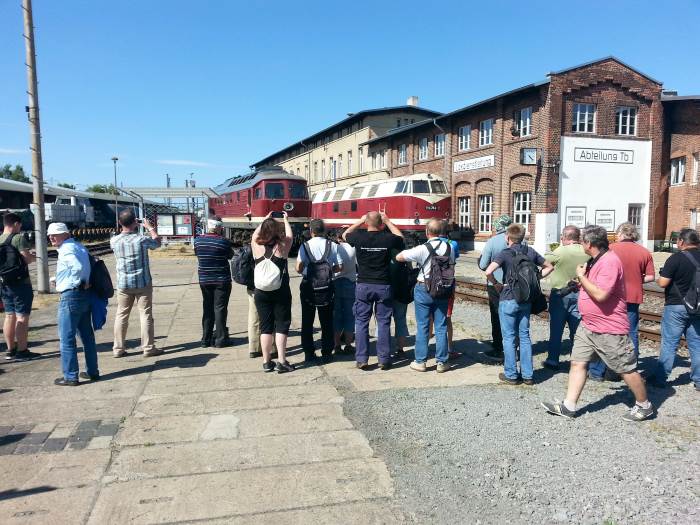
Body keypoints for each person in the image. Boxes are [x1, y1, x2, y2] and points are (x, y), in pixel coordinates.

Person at [542, 226, 655, 421]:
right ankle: (569, 405)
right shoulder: (595, 259)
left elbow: (601, 295)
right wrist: (580, 283)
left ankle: (644, 405)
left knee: (625, 368)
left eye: (582, 241)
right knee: (578, 362)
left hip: (608, 327)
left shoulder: (610, 262)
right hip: (588, 325)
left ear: (589, 243)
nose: (581, 244)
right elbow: (595, 286)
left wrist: (581, 276)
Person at [484, 223, 553, 385]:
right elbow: (549, 267)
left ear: (507, 237)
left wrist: (496, 284)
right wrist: (535, 278)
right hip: (525, 300)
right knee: (524, 336)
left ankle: (511, 375)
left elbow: (488, 271)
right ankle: (528, 375)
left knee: (508, 338)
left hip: (508, 297)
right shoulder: (530, 251)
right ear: (522, 237)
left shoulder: (505, 253)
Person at [588, 222, 654, 381]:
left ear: (620, 234)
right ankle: (631, 369)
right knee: (631, 333)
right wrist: (637, 279)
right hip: (633, 296)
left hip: (611, 296)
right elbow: (651, 277)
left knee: (604, 331)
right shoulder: (644, 252)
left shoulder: (610, 249)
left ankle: (597, 371)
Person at [343, 211, 404, 370]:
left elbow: (344, 234)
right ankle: (384, 359)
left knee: (361, 322)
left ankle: (362, 359)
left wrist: (360, 221)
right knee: (383, 322)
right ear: (381, 224)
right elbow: (401, 238)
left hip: (363, 285)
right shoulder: (388, 238)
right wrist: (388, 221)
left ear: (366, 223)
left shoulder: (358, 237)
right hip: (383, 285)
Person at [397, 218, 456, 373]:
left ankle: (420, 361)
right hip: (443, 289)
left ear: (427, 232)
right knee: (441, 325)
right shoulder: (450, 248)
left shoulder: (423, 248)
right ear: (441, 232)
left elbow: (400, 257)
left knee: (423, 325)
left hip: (424, 288)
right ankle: (442, 362)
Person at [648, 228, 700, 391]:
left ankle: (660, 378)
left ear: (682, 241)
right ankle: (699, 380)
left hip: (676, 305)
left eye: (677, 240)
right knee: (696, 343)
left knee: (670, 343)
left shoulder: (675, 258)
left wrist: (659, 278)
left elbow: (663, 283)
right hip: (697, 307)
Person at [48, 222, 98, 386]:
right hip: (84, 295)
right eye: (50, 235)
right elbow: (82, 267)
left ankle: (70, 376)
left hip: (71, 296)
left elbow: (77, 267)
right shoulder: (79, 246)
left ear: (65, 234)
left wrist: (75, 282)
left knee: (66, 338)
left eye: (55, 234)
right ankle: (93, 371)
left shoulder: (65, 249)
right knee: (87, 336)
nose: (51, 237)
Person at [111, 210, 162, 358]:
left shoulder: (114, 241)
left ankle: (118, 348)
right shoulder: (142, 240)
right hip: (142, 282)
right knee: (145, 314)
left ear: (119, 223)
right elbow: (157, 243)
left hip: (123, 284)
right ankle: (148, 347)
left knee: (121, 315)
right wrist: (149, 227)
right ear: (135, 222)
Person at [542, 225, 590, 370]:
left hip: (560, 293)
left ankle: (553, 360)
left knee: (556, 329)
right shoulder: (586, 250)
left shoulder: (560, 251)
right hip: (581, 292)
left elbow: (542, 262)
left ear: (564, 237)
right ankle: (578, 361)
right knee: (577, 330)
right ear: (578, 237)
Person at [252, 212, 294, 373]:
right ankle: (282, 361)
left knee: (265, 327)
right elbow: (290, 235)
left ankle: (266, 361)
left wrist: (264, 220)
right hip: (280, 291)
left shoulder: (255, 244)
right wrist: (285, 220)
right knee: (282, 325)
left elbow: (255, 234)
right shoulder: (283, 246)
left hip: (260, 292)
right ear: (277, 230)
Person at [296, 219, 342, 364]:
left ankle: (309, 353)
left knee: (307, 320)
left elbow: (298, 267)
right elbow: (339, 266)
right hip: (327, 287)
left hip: (308, 286)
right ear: (324, 231)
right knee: (327, 321)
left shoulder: (304, 246)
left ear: (311, 231)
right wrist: (327, 272)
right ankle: (327, 352)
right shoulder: (333, 245)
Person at [1, 213, 39, 361]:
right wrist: (33, 257)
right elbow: (27, 259)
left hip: (4, 283)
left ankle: (10, 350)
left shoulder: (0, 239)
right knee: (22, 317)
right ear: (16, 224)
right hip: (21, 284)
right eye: (20, 225)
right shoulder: (18, 238)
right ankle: (22, 351)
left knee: (9, 316)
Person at [194, 217, 234, 348]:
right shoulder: (223, 242)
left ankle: (205, 339)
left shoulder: (197, 241)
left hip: (204, 280)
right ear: (218, 228)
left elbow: (197, 254)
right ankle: (221, 339)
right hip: (222, 280)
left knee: (207, 308)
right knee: (220, 308)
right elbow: (230, 255)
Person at [478, 215, 512, 362]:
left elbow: (483, 265)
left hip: (495, 284)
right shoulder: (521, 240)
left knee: (497, 315)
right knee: (513, 316)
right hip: (515, 285)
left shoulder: (492, 241)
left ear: (497, 226)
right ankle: (513, 348)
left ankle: (498, 348)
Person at [332, 228, 356, 355]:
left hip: (335, 282)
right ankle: (348, 344)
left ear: (338, 237)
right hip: (350, 283)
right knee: (350, 315)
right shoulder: (353, 248)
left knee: (336, 315)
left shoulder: (333, 247)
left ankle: (336, 345)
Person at [439, 221, 461, 360]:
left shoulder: (427, 244)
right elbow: (455, 257)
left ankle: (427, 348)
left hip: (430, 284)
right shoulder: (453, 244)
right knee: (447, 317)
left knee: (430, 318)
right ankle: (449, 349)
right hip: (447, 283)